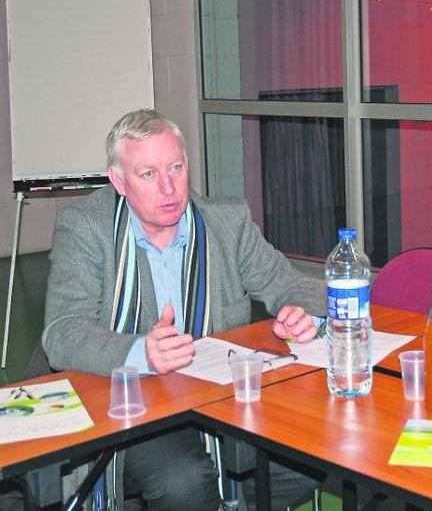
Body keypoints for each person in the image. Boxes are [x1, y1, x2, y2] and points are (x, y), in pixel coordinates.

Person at [43, 109, 326, 510]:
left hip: (218, 396)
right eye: (148, 175)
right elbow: (63, 331)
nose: (169, 188)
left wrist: (302, 312)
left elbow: (294, 284)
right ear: (118, 182)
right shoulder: (87, 228)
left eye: (175, 167)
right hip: (135, 401)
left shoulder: (225, 222)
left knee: (309, 456)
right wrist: (141, 352)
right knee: (185, 482)